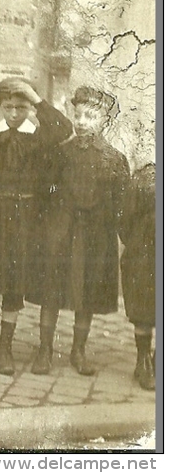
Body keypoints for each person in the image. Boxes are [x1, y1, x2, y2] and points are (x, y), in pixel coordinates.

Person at [0, 78, 72, 376]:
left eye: (20, 107)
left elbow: (63, 129)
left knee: (13, 282)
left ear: (29, 108)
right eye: (8, 107)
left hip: (23, 219)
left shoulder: (38, 139)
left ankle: (5, 346)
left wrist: (37, 99)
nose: (13, 113)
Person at [27, 87, 128, 376]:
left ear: (105, 121)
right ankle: (45, 349)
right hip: (61, 229)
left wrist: (117, 233)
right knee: (52, 289)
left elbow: (121, 202)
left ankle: (78, 350)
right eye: (78, 115)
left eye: (91, 116)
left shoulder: (114, 159)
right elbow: (47, 190)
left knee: (88, 292)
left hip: (96, 235)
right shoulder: (62, 153)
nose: (82, 121)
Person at [120, 162, 156, 390]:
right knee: (144, 309)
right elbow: (124, 221)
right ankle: (143, 362)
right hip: (144, 252)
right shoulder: (144, 178)